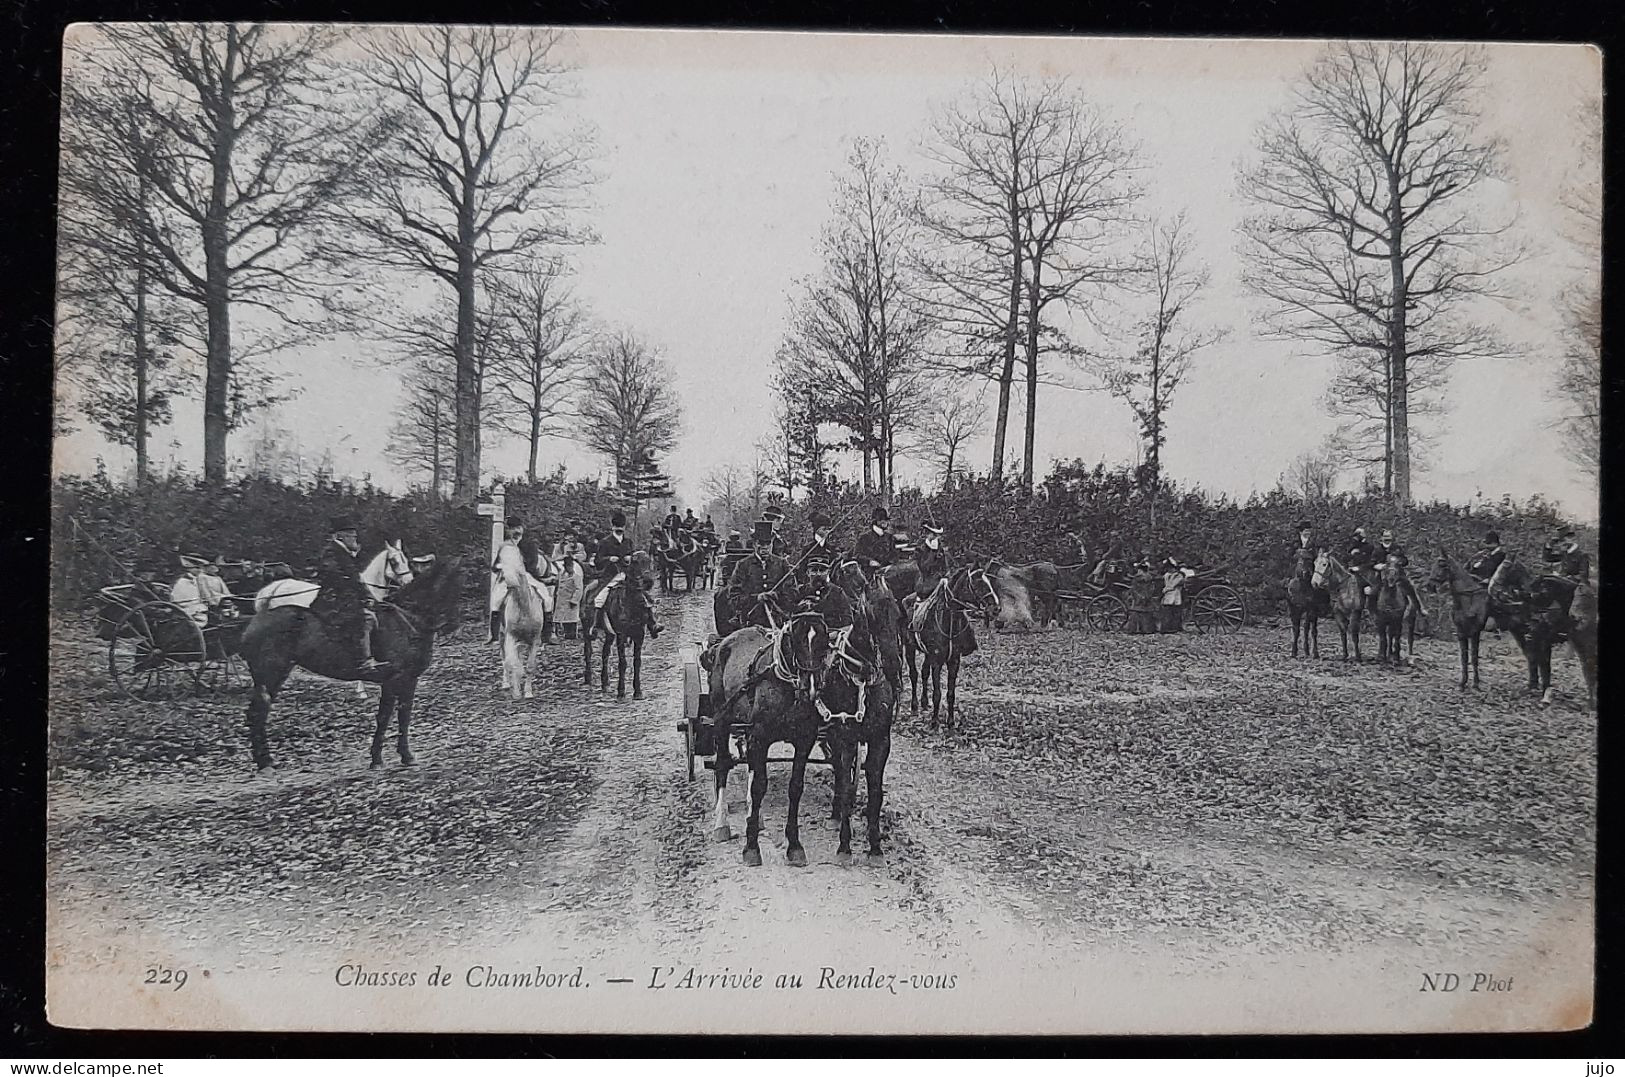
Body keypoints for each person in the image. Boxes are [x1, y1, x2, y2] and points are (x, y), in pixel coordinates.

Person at [311, 517, 389, 674]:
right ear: (340, 536)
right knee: (364, 619)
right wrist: (359, 593)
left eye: (354, 535)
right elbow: (336, 576)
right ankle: (364, 661)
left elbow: (354, 578)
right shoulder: (331, 551)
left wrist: (366, 596)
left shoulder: (344, 552)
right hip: (333, 599)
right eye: (352, 535)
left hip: (345, 597)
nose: (355, 538)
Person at [584, 510, 661, 638]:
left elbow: (634, 557)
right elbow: (598, 561)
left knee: (644, 597)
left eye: (621, 527)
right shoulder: (605, 542)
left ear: (624, 527)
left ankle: (652, 623)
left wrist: (630, 558)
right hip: (610, 576)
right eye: (616, 526)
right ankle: (596, 626)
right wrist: (608, 559)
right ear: (612, 527)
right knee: (599, 598)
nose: (619, 529)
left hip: (627, 575)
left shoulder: (628, 542)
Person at [490, 516, 557, 645]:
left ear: (521, 528)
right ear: (508, 530)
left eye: (517, 528)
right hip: (508, 577)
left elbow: (532, 564)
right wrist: (501, 566)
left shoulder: (529, 544)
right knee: (496, 600)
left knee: (546, 598)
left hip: (527, 575)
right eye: (512, 528)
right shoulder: (504, 545)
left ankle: (547, 633)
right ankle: (494, 635)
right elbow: (495, 566)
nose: (515, 531)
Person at [730, 520, 795, 627]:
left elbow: (793, 593)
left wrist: (777, 596)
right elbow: (734, 599)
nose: (765, 547)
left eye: (768, 543)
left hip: (779, 620)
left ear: (772, 543)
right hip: (749, 621)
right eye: (761, 543)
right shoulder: (743, 565)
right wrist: (757, 598)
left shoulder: (782, 564)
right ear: (755, 543)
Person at [852, 506, 898, 580]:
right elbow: (857, 555)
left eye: (886, 520)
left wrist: (890, 565)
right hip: (869, 574)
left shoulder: (890, 537)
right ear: (876, 521)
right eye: (882, 520)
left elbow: (894, 554)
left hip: (888, 572)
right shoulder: (864, 537)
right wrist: (869, 561)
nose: (886, 523)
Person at [797, 510, 839, 587]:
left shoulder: (832, 549)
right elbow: (802, 570)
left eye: (828, 529)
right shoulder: (808, 549)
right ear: (817, 529)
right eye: (824, 529)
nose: (827, 531)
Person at [914, 522, 950, 598]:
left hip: (940, 584)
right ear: (928, 534)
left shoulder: (940, 548)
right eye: (934, 535)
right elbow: (924, 567)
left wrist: (945, 576)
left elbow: (945, 566)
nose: (936, 538)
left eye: (938, 535)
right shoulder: (920, 548)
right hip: (925, 585)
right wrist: (932, 553)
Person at [1159, 555, 1187, 633]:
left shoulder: (1179, 576)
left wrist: (1164, 590)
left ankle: (1175, 628)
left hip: (1175, 595)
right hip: (1167, 596)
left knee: (1175, 613)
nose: (1169, 570)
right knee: (1166, 613)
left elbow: (1172, 585)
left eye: (1170, 568)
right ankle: (1166, 628)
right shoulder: (1167, 575)